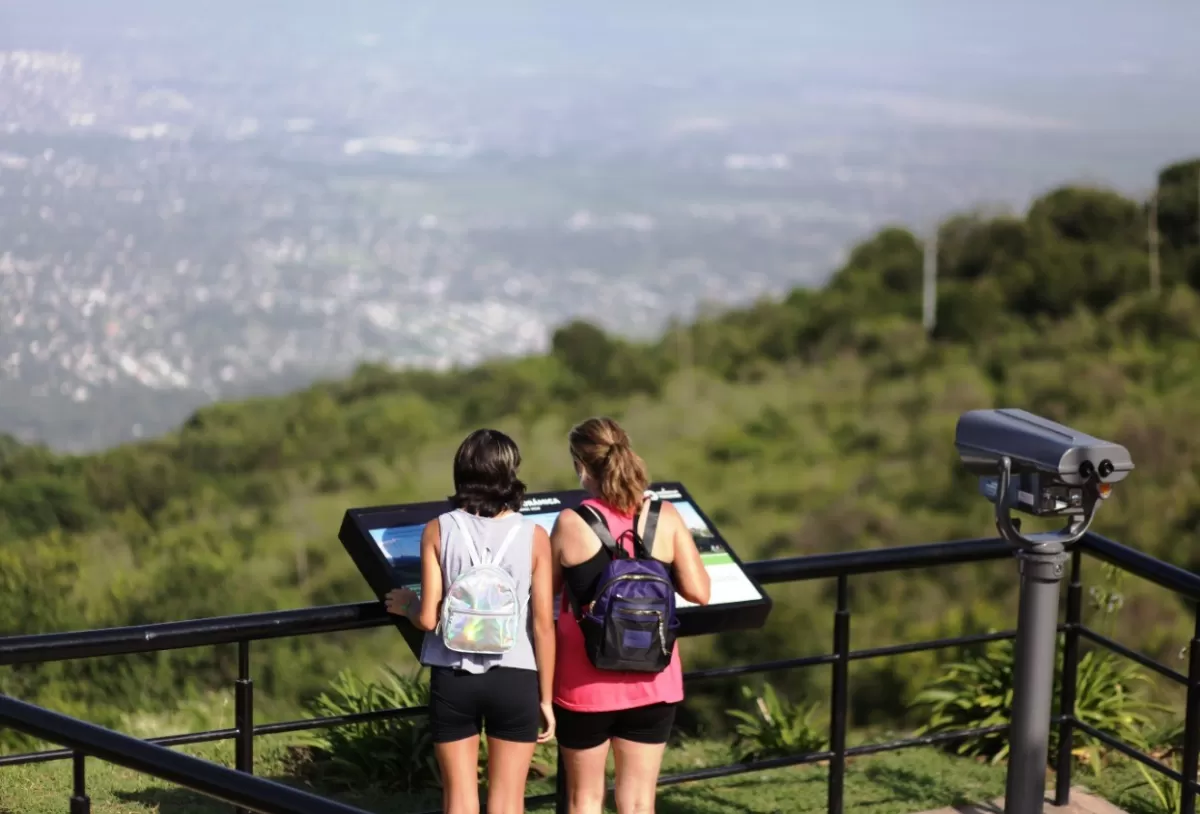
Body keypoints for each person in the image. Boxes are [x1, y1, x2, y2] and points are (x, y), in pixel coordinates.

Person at [386, 428, 556, 814]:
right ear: (509, 473)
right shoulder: (534, 535)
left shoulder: (438, 528)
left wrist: (409, 604)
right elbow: (544, 624)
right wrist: (545, 697)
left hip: (454, 676)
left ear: (461, 472)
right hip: (516, 676)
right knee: (508, 802)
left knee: (459, 801)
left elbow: (429, 618)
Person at [551, 417, 712, 814]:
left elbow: (544, 594)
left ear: (581, 466)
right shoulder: (666, 516)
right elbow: (700, 591)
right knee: (639, 802)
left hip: (584, 679)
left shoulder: (571, 523)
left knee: (583, 799)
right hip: (653, 675)